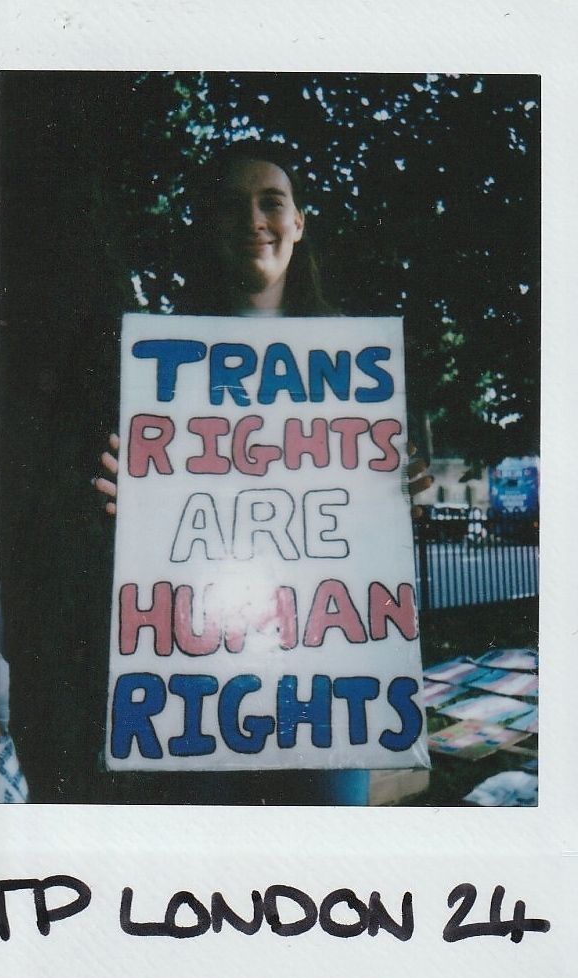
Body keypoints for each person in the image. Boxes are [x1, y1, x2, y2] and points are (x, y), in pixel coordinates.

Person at [93, 142, 432, 805]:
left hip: (330, 693)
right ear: (208, 225)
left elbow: (352, 534)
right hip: (195, 686)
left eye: (271, 202)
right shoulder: (157, 367)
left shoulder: (356, 364)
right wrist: (131, 503)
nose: (253, 220)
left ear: (298, 223)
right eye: (232, 206)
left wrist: (397, 502)